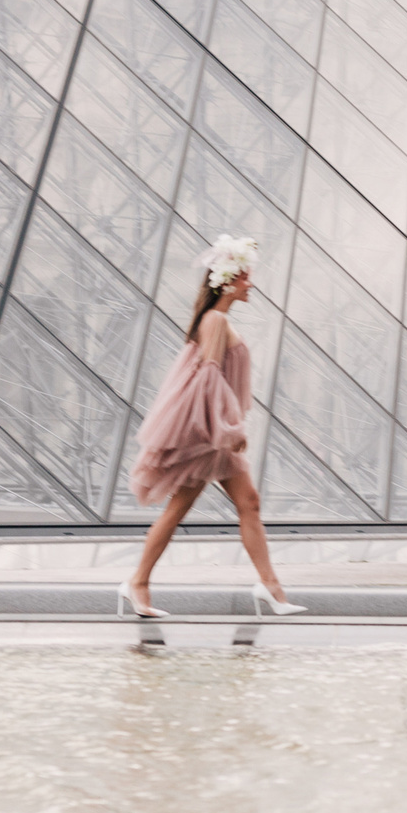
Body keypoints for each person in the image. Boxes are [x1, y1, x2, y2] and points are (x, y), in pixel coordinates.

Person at [120, 235, 303, 619]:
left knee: (247, 503)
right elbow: (208, 381)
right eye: (246, 277)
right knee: (179, 510)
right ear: (229, 281)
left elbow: (208, 381)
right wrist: (228, 430)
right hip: (212, 438)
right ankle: (137, 582)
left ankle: (271, 589)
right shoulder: (216, 320)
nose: (251, 284)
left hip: (215, 438)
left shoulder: (215, 320)